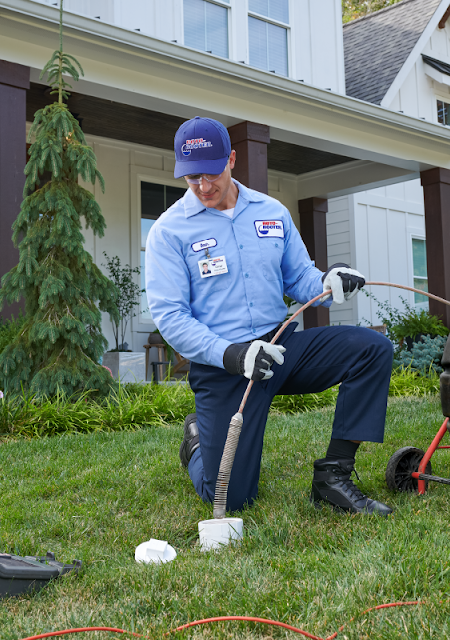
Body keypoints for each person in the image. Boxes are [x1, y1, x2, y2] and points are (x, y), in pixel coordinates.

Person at [145, 116, 394, 516]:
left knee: (372, 349)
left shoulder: (271, 212)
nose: (203, 187)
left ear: (232, 159)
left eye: (211, 174)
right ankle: (195, 443)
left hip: (281, 348)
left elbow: (299, 278)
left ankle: (334, 476)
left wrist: (329, 281)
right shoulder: (168, 232)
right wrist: (234, 355)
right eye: (192, 178)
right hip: (225, 366)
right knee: (230, 497)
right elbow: (171, 317)